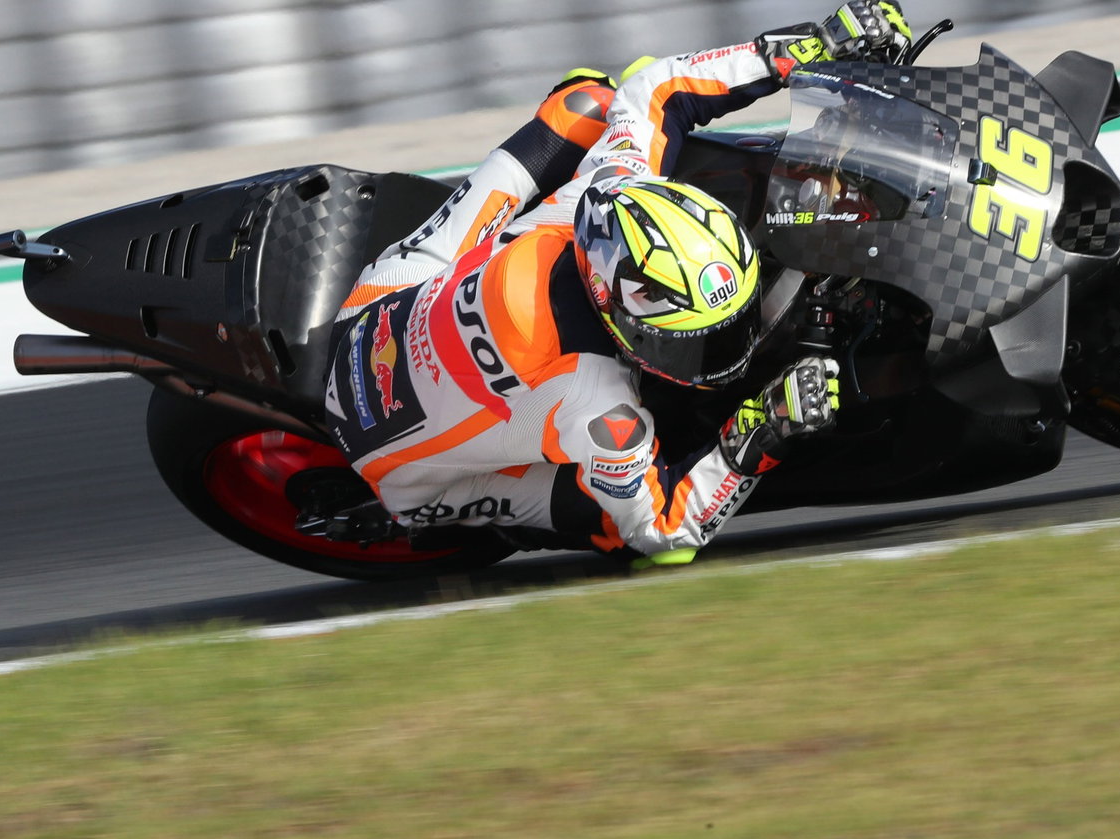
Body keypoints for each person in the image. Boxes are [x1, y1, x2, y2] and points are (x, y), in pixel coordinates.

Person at [324, 1, 913, 565]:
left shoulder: (609, 184)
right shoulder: (600, 410)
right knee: (619, 527)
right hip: (397, 463)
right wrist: (760, 428)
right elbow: (665, 529)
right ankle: (424, 516)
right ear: (617, 315)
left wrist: (806, 49)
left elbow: (655, 89)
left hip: (389, 298)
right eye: (692, 342)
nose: (718, 355)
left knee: (589, 100)